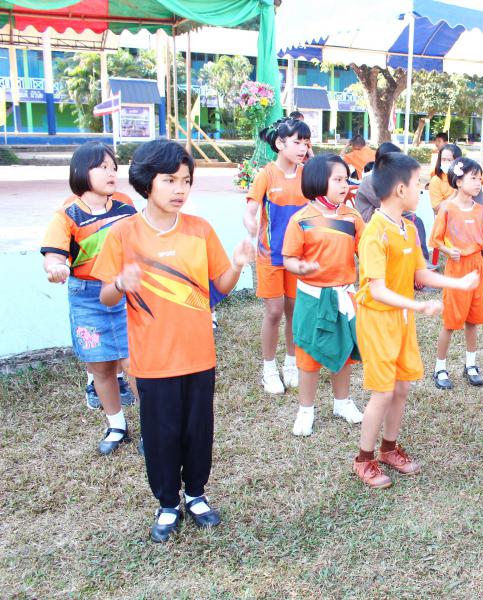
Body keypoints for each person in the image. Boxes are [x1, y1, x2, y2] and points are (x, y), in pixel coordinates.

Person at [93, 140, 254, 542]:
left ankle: (196, 494)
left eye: (186, 181)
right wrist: (120, 282)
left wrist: (237, 265)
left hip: (199, 356)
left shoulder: (200, 230)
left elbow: (220, 288)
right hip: (153, 360)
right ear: (146, 182)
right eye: (170, 180)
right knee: (161, 436)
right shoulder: (124, 234)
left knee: (198, 432)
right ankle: (167, 503)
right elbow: (106, 296)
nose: (180, 189)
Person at [352, 152, 478, 488]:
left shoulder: (408, 228)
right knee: (383, 392)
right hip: (378, 320)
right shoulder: (374, 232)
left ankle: (389, 449)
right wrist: (418, 306)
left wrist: (457, 283)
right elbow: (377, 290)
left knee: (401, 387)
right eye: (417, 183)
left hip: (402, 319)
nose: (421, 190)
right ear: (399, 190)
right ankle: (364, 459)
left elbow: (420, 272)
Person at [40, 142, 137, 454]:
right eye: (103, 167)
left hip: (125, 293)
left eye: (114, 168)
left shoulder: (126, 207)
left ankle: (152, 427)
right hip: (86, 298)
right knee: (101, 368)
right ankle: (117, 426)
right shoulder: (65, 216)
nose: (112, 173)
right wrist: (56, 268)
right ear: (82, 171)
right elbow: (54, 257)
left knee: (135, 364)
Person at [281, 154, 366, 436]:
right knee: (309, 356)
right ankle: (306, 410)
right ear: (318, 180)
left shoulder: (352, 217)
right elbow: (289, 259)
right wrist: (300, 267)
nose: (344, 185)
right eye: (337, 179)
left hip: (344, 296)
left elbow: (366, 250)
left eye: (346, 179)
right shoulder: (301, 219)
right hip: (312, 299)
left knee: (344, 351)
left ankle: (342, 402)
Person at [244, 117, 311, 395]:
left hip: (298, 257)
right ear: (280, 144)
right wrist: (250, 226)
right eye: (297, 142)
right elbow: (250, 211)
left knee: (294, 311)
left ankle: (291, 362)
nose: (303, 148)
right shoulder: (266, 175)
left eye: (306, 143)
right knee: (273, 312)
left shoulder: (307, 174)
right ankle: (269, 369)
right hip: (270, 256)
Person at [430, 157, 483, 390]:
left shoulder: (481, 210)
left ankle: (470, 364)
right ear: (458, 181)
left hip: (476, 267)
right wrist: (448, 251)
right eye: (473, 178)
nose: (478, 183)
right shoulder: (447, 209)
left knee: (473, 320)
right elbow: (435, 240)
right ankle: (440, 367)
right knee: (450, 321)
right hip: (457, 269)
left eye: (479, 178)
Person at [429, 143, 463, 213]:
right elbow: (436, 209)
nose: (446, 162)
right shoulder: (436, 180)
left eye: (450, 160)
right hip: (447, 217)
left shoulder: (466, 174)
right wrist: (455, 194)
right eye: (443, 160)